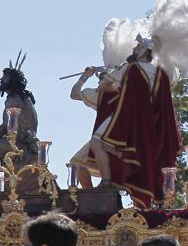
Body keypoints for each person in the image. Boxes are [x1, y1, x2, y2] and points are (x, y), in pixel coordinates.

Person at [69, 37, 180, 207]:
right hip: (150, 128)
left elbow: (102, 86)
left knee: (97, 143)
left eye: (138, 46)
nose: (134, 48)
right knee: (138, 166)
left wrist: (89, 76)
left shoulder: (129, 68)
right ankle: (105, 192)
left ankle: (106, 184)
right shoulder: (160, 74)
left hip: (125, 123)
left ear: (144, 50)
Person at [0, 63, 39, 184]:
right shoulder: (24, 97)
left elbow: (8, 126)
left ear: (13, 81)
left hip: (20, 145)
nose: (1, 80)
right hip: (24, 142)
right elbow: (14, 125)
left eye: (5, 77)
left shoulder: (13, 99)